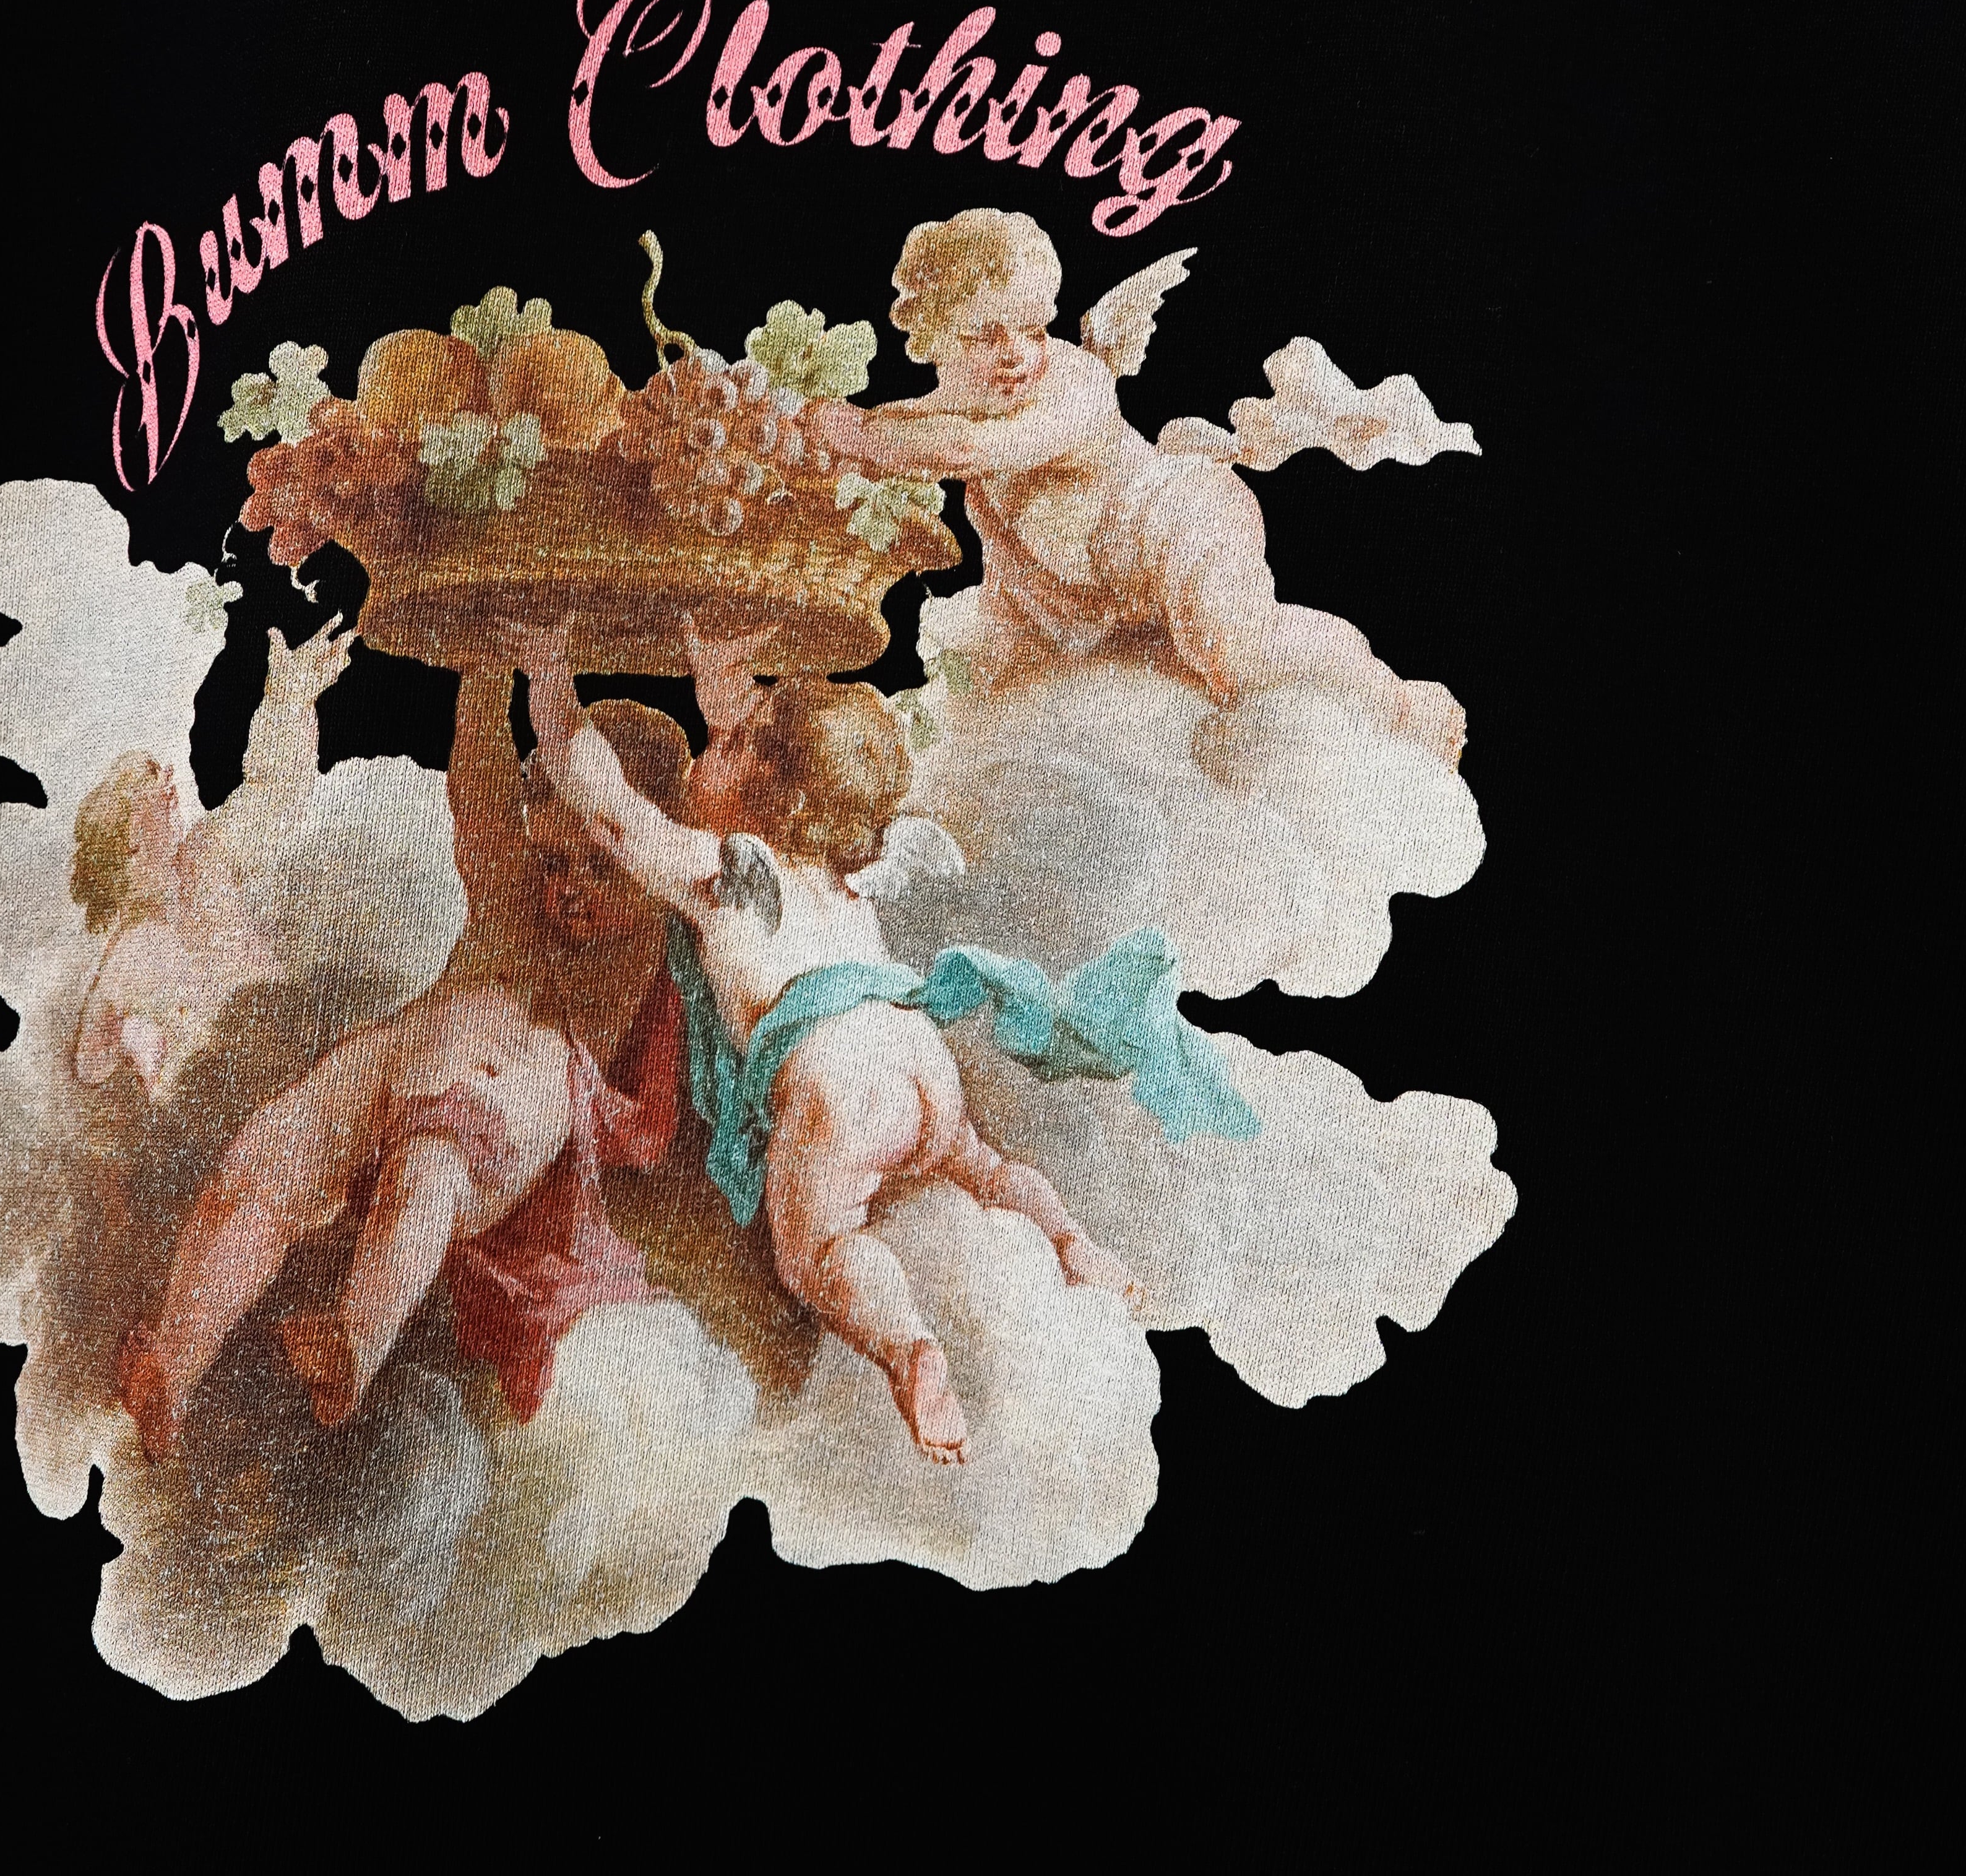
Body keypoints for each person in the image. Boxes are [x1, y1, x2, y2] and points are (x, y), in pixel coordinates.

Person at [514, 617, 1246, 1472]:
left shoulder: (726, 878)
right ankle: (1070, 1241)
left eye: (734, 742)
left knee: (818, 1251)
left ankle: (909, 1351)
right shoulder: (838, 870)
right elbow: (777, 766)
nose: (712, 750)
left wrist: (550, 681)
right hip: (914, 1055)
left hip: (833, 1082)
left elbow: (607, 811)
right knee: (980, 1165)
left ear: (769, 793)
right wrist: (720, 679)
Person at [114, 651, 688, 1460]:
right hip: (405, 1057)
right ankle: (173, 1364)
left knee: (427, 1171)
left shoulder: (648, 933)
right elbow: (481, 783)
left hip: (511, 1092)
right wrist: (485, 670)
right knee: (271, 1154)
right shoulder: (509, 888)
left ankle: (354, 1345)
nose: (570, 887)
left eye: (603, 868)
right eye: (555, 859)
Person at [804, 209, 1465, 763]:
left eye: (1032, 328)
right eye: (984, 334)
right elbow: (897, 430)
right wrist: (813, 428)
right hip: (1105, 589)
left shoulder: (1071, 385)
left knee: (1241, 655)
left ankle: (1396, 703)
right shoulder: (947, 410)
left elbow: (965, 448)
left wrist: (851, 434)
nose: (1015, 354)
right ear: (933, 338)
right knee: (1048, 709)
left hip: (1178, 524)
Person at [71, 617, 356, 1102]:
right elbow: (91, 1065)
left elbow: (273, 795)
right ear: (129, 846)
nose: (169, 785)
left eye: (161, 777)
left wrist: (288, 701)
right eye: (150, 785)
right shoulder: (134, 951)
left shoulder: (205, 853)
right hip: (237, 1088)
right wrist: (134, 1035)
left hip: (293, 1039)